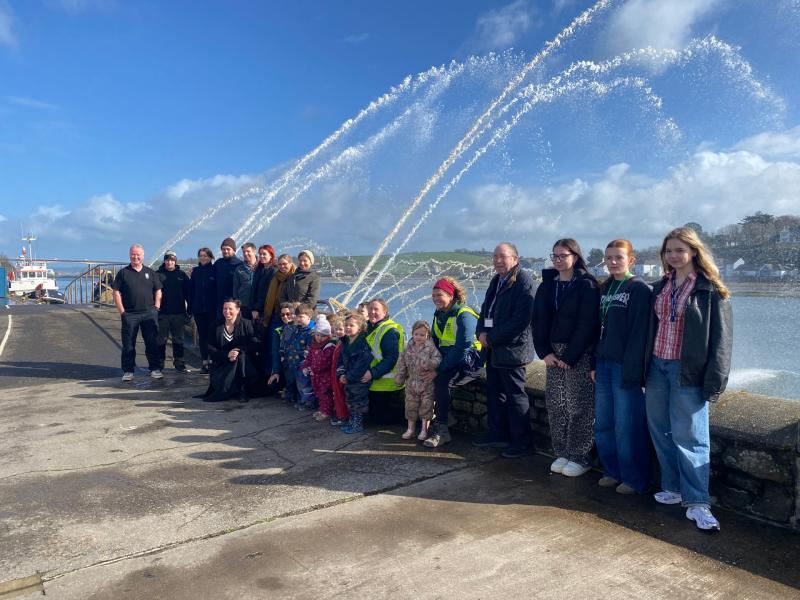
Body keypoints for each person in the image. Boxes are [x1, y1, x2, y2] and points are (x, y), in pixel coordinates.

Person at [645, 227, 732, 531]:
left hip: (687, 370)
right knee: (661, 431)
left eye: (679, 250)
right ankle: (673, 488)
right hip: (657, 366)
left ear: (693, 251)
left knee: (691, 436)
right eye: (669, 250)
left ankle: (698, 502)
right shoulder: (660, 286)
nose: (673, 256)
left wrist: (716, 380)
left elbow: (721, 341)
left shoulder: (711, 290)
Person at [533, 238, 600, 476]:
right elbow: (538, 320)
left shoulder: (587, 285)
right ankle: (562, 452)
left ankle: (580, 456)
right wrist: (544, 352)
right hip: (553, 354)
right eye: (555, 256)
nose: (559, 260)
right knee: (556, 405)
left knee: (578, 406)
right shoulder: (547, 285)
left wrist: (570, 356)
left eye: (564, 255)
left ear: (575, 257)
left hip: (578, 354)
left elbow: (588, 324)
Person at [591, 240, 652, 495]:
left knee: (627, 425)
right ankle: (612, 471)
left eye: (618, 257)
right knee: (603, 423)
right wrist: (594, 363)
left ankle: (634, 478)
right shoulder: (604, 288)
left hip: (623, 367)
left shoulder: (638, 289)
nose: (613, 262)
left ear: (631, 260)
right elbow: (597, 330)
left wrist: (634, 370)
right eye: (609, 258)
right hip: (603, 364)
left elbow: (641, 334)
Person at [473, 243, 535, 458]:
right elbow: (485, 310)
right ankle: (497, 434)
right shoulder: (496, 280)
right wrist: (480, 331)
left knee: (515, 396)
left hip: (512, 350)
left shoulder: (524, 281)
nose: (498, 260)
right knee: (495, 392)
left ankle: (522, 443)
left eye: (503, 256)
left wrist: (491, 337)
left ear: (515, 259)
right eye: (495, 256)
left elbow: (521, 320)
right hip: (493, 348)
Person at [425, 277, 482, 448]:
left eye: (439, 295)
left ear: (451, 295)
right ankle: (431, 418)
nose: (435, 298)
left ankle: (442, 429)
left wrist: (439, 368)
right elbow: (434, 341)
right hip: (450, 357)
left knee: (440, 380)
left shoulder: (464, 315)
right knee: (423, 373)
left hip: (470, 360)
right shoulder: (439, 314)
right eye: (433, 295)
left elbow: (462, 347)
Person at [112, 244, 163, 381]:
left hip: (149, 313)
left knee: (152, 342)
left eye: (138, 254)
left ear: (143, 256)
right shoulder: (123, 273)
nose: (136, 257)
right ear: (130, 255)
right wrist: (122, 311)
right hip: (130, 314)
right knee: (128, 344)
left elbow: (158, 290)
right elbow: (116, 291)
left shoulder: (150, 272)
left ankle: (155, 368)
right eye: (133, 254)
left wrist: (157, 307)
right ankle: (128, 371)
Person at [194, 299, 260, 403]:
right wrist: (227, 355)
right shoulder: (215, 325)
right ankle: (230, 389)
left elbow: (255, 344)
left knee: (240, 357)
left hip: (243, 364)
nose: (227, 311)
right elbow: (209, 347)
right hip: (222, 365)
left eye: (230, 309)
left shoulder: (247, 324)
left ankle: (243, 389)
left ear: (238, 310)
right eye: (225, 308)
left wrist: (239, 350)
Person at [395, 320, 441, 441]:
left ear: (427, 335)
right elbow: (401, 363)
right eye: (416, 334)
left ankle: (424, 430)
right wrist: (400, 376)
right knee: (411, 406)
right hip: (411, 383)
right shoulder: (407, 348)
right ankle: (410, 429)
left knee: (426, 406)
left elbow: (438, 359)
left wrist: (430, 364)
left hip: (426, 384)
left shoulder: (431, 348)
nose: (419, 337)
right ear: (412, 333)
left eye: (422, 334)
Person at [364, 298, 405, 425]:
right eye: (370, 309)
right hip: (373, 382)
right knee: (369, 417)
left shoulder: (389, 330)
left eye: (376, 309)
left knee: (379, 420)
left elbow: (391, 358)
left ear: (385, 312)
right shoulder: (370, 327)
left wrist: (372, 373)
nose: (372, 312)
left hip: (386, 384)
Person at [336, 312, 373, 434]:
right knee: (350, 400)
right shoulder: (345, 342)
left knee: (358, 402)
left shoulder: (363, 343)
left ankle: (357, 424)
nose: (347, 328)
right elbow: (340, 360)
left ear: (360, 327)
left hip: (359, 379)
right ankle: (351, 421)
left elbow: (362, 364)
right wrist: (341, 374)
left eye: (351, 325)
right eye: (346, 325)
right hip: (347, 378)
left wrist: (349, 376)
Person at [156, 250, 190, 372]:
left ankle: (179, 363)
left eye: (172, 260)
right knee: (161, 339)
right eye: (167, 260)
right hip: (162, 313)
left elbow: (188, 294)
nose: (169, 262)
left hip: (179, 313)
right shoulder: (158, 275)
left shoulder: (182, 275)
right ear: (164, 261)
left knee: (179, 339)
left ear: (175, 261)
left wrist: (189, 311)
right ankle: (159, 363)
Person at [302, 314, 337, 422]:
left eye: (323, 336)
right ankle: (322, 409)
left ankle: (326, 412)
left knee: (325, 394)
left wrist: (312, 369)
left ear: (328, 336)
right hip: (315, 375)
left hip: (325, 376)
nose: (319, 338)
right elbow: (309, 358)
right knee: (318, 393)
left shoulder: (329, 346)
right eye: (318, 335)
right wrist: (305, 366)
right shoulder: (314, 346)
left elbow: (324, 363)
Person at [188, 248, 216, 374]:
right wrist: (190, 308)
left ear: (210, 257)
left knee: (212, 336)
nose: (203, 258)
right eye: (201, 256)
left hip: (212, 309)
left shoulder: (215, 270)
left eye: (205, 256)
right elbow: (191, 290)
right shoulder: (196, 272)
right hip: (199, 309)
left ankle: (213, 361)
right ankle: (204, 361)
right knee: (202, 336)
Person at [284, 303, 316, 410]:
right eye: (297, 316)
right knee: (299, 383)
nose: (298, 319)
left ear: (309, 316)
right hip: (294, 361)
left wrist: (305, 360)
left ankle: (308, 402)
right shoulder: (297, 329)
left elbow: (310, 349)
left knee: (305, 384)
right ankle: (301, 399)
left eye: (301, 317)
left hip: (304, 363)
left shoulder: (311, 331)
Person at [268, 302, 299, 398]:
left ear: (294, 315)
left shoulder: (301, 329)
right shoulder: (278, 331)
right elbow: (275, 352)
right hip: (285, 364)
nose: (285, 317)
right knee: (272, 386)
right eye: (282, 315)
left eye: (288, 314)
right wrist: (275, 372)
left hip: (299, 363)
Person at [213, 237, 243, 322]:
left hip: (233, 304)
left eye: (228, 249)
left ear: (234, 250)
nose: (225, 251)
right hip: (219, 304)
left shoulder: (239, 265)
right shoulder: (218, 263)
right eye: (223, 249)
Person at [328, 314, 349, 427]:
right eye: (336, 329)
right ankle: (339, 414)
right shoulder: (339, 342)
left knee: (341, 396)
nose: (338, 331)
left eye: (341, 329)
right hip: (335, 373)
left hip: (340, 374)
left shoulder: (345, 343)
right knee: (337, 395)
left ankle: (343, 417)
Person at [250, 244, 276, 323]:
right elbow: (254, 290)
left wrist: (257, 309)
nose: (261, 256)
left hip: (265, 309)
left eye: (264, 254)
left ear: (271, 255)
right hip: (255, 307)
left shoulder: (273, 271)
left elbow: (265, 292)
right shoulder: (259, 269)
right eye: (260, 254)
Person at [233, 242, 258, 321]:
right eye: (244, 252)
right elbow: (235, 288)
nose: (245, 254)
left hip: (258, 306)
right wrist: (237, 306)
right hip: (244, 306)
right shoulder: (239, 269)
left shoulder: (261, 267)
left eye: (248, 251)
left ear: (254, 252)